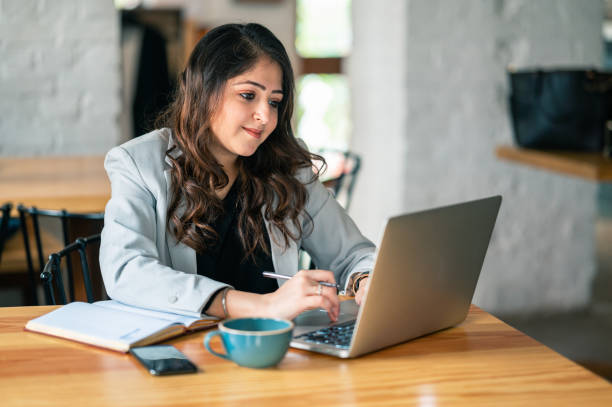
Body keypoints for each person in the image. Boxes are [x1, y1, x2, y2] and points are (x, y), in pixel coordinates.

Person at [100, 23, 374, 322]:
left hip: (277, 351)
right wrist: (262, 306)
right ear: (203, 90)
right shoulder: (138, 163)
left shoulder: (288, 166)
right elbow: (125, 270)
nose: (266, 116)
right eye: (248, 95)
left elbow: (353, 254)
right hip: (185, 352)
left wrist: (365, 280)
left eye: (274, 101)